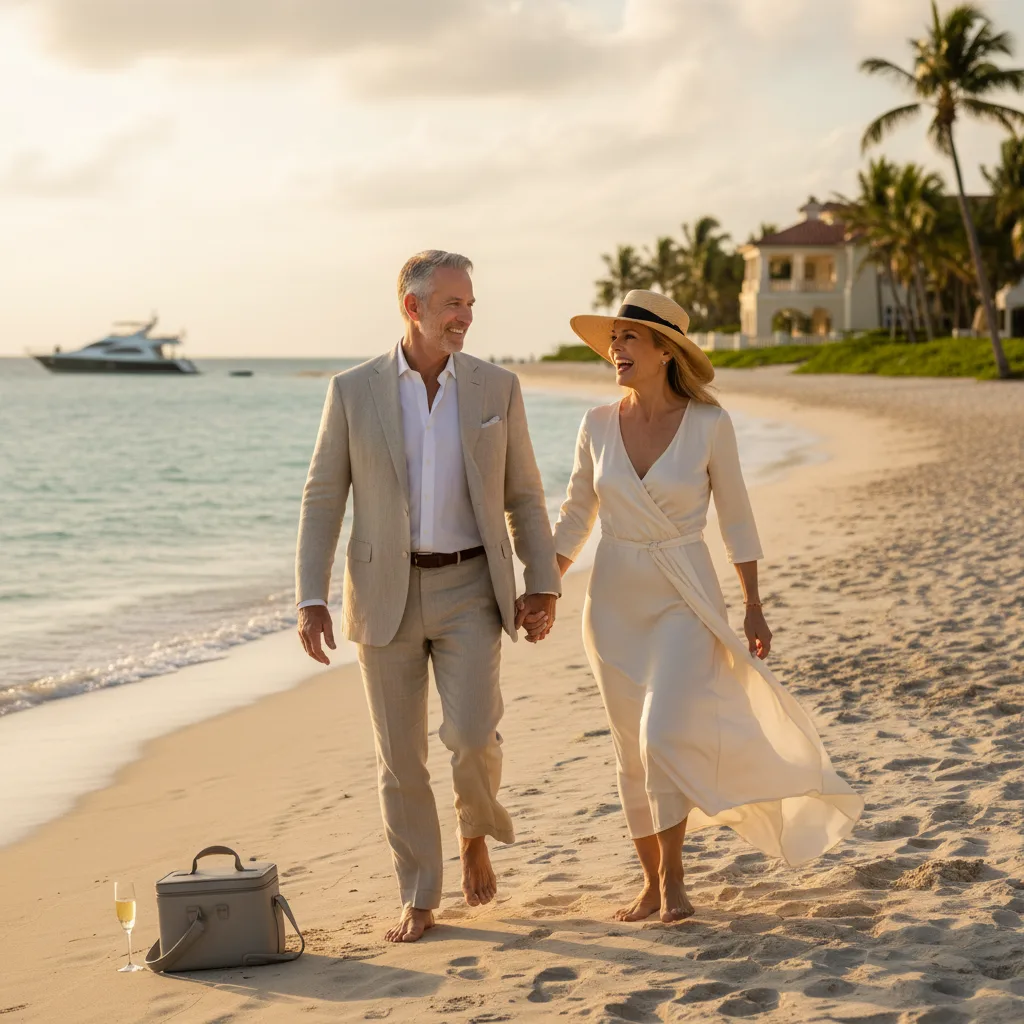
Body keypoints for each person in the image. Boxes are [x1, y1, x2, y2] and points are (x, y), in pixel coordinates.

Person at [544, 289, 862, 923]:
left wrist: (753, 605)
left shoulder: (711, 426)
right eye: (614, 338)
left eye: (629, 338)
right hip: (611, 600)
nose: (616, 348)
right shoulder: (597, 424)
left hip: (685, 592)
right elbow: (577, 513)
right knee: (629, 748)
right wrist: (543, 586)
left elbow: (736, 518)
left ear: (666, 350)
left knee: (662, 735)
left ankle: (678, 879)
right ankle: (650, 882)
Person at [294, 251, 561, 942]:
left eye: (470, 303)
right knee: (400, 757)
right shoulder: (354, 391)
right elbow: (325, 495)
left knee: (473, 736)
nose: (465, 316)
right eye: (452, 304)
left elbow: (525, 493)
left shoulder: (496, 388)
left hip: (473, 586)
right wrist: (310, 596)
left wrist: (542, 583)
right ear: (412, 308)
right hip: (383, 592)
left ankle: (474, 828)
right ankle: (419, 893)